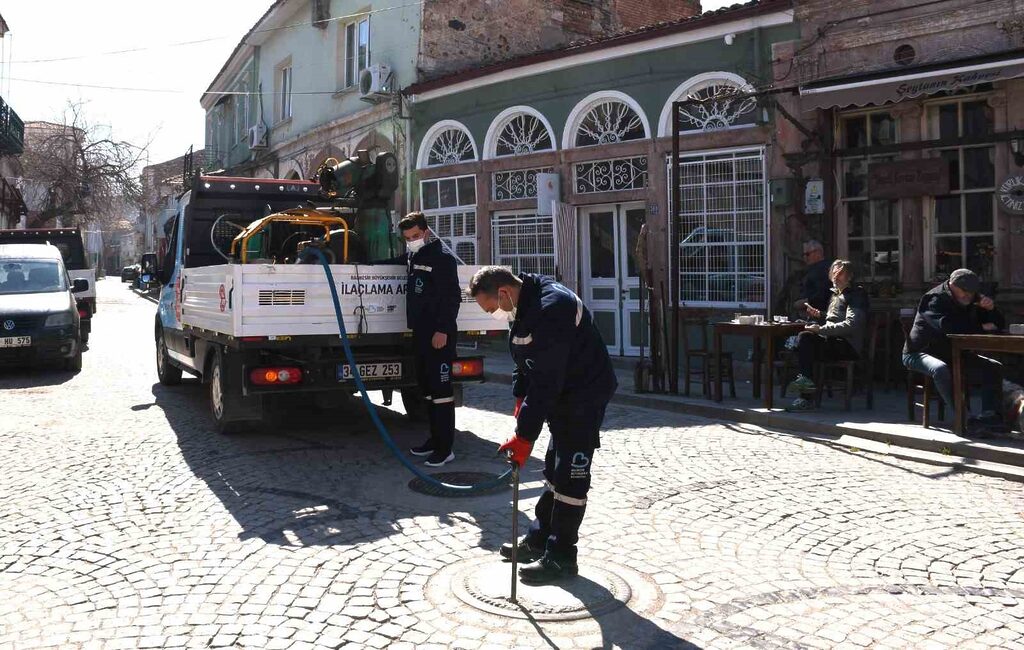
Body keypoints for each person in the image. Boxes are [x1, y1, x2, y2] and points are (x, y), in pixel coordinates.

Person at [469, 266, 617, 584]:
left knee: (570, 477)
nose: (493, 315)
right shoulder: (523, 306)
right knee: (552, 469)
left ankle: (563, 556)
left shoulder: (553, 307)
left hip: (583, 395)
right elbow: (525, 359)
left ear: (504, 293)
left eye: (491, 307)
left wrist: (524, 437)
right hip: (560, 396)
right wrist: (520, 398)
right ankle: (539, 539)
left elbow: (547, 381)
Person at [378, 212, 462, 466]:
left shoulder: (442, 259)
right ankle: (434, 440)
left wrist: (443, 331)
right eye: (407, 238)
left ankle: (445, 448)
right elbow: (394, 261)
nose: (412, 240)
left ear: (426, 233)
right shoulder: (415, 257)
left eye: (415, 236)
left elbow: (451, 298)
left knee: (441, 393)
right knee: (427, 391)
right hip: (421, 334)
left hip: (438, 335)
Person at [902, 268, 1005, 436]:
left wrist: (991, 309)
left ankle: (991, 417)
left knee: (994, 367)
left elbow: (997, 324)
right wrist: (980, 327)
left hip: (954, 354)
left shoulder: (972, 298)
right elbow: (947, 327)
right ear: (951, 285)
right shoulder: (934, 299)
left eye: (971, 293)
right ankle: (965, 419)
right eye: (963, 291)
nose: (967, 296)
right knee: (940, 369)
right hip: (919, 353)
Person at [785, 259, 869, 411]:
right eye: (833, 273)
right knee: (803, 339)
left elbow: (851, 325)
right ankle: (807, 388)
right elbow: (834, 319)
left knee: (805, 341)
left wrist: (820, 330)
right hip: (832, 340)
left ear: (849, 276)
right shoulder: (835, 294)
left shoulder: (856, 294)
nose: (835, 277)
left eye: (840, 273)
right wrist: (820, 315)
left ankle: (806, 397)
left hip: (847, 345)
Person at [794, 240, 831, 323]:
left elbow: (822, 294)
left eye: (807, 254)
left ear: (818, 253)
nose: (805, 258)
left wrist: (803, 302)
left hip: (819, 316)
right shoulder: (813, 269)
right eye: (804, 255)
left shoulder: (822, 269)